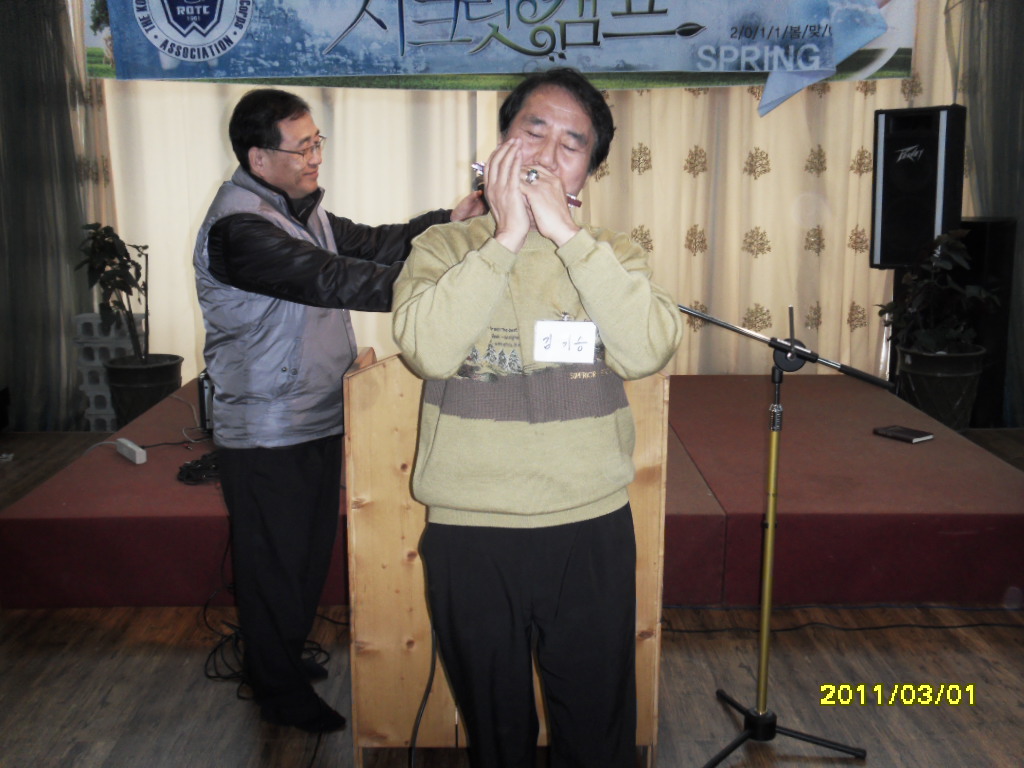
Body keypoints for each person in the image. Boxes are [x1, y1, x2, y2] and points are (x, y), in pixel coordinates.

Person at [391, 68, 684, 766]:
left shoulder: (613, 254)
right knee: (496, 738)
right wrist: (504, 241)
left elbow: (647, 349)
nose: (549, 155)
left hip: (589, 526)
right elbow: (428, 349)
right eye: (534, 130)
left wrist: (567, 238)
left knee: (597, 735)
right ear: (501, 142)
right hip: (470, 530)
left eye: (572, 144)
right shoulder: (443, 248)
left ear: (590, 170)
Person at [193, 88, 483, 733]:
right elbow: (335, 277)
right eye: (303, 148)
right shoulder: (241, 230)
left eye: (317, 142)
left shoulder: (300, 211)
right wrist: (454, 289)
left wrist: (451, 220)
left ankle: (281, 657)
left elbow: (377, 244)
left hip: (315, 412)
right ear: (259, 158)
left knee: (303, 555)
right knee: (275, 563)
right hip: (268, 428)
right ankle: (276, 689)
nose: (315, 157)